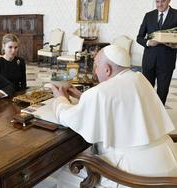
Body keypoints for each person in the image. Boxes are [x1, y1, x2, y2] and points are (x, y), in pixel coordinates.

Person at [51, 45, 177, 187]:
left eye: (96, 66)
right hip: (168, 161)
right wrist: (83, 97)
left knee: (65, 174)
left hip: (137, 174)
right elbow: (124, 104)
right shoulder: (139, 78)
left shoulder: (100, 92)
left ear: (107, 69)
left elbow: (68, 117)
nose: (95, 71)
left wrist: (60, 99)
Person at [137, 0, 177, 105]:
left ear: (169, 1)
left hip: (166, 62)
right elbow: (139, 38)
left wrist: (172, 43)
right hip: (149, 61)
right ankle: (146, 116)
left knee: (162, 92)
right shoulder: (149, 15)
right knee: (146, 91)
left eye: (162, 1)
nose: (159, 4)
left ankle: (159, 118)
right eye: (157, 1)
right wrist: (149, 42)